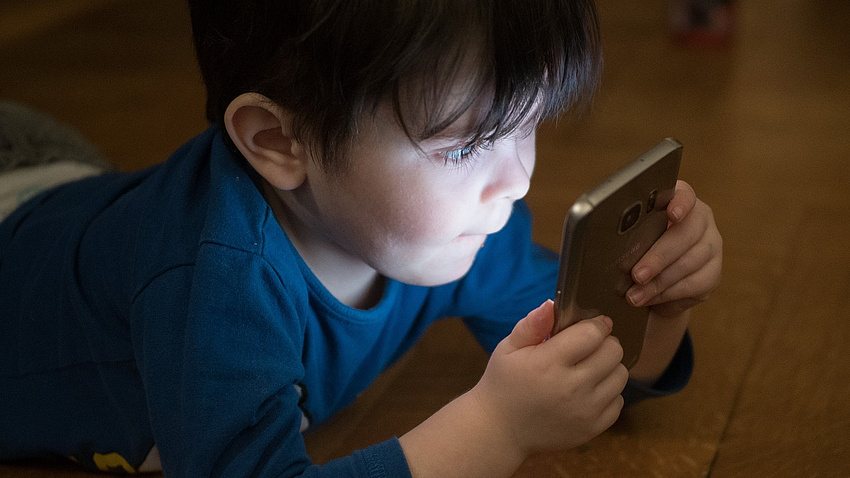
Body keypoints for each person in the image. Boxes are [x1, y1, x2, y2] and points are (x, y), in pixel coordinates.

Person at [0, 0, 722, 476]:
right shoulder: (213, 288)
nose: (518, 181)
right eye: (469, 146)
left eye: (529, 122)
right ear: (281, 141)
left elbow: (590, 370)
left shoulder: (464, 225)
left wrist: (656, 303)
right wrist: (494, 428)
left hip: (68, 192)